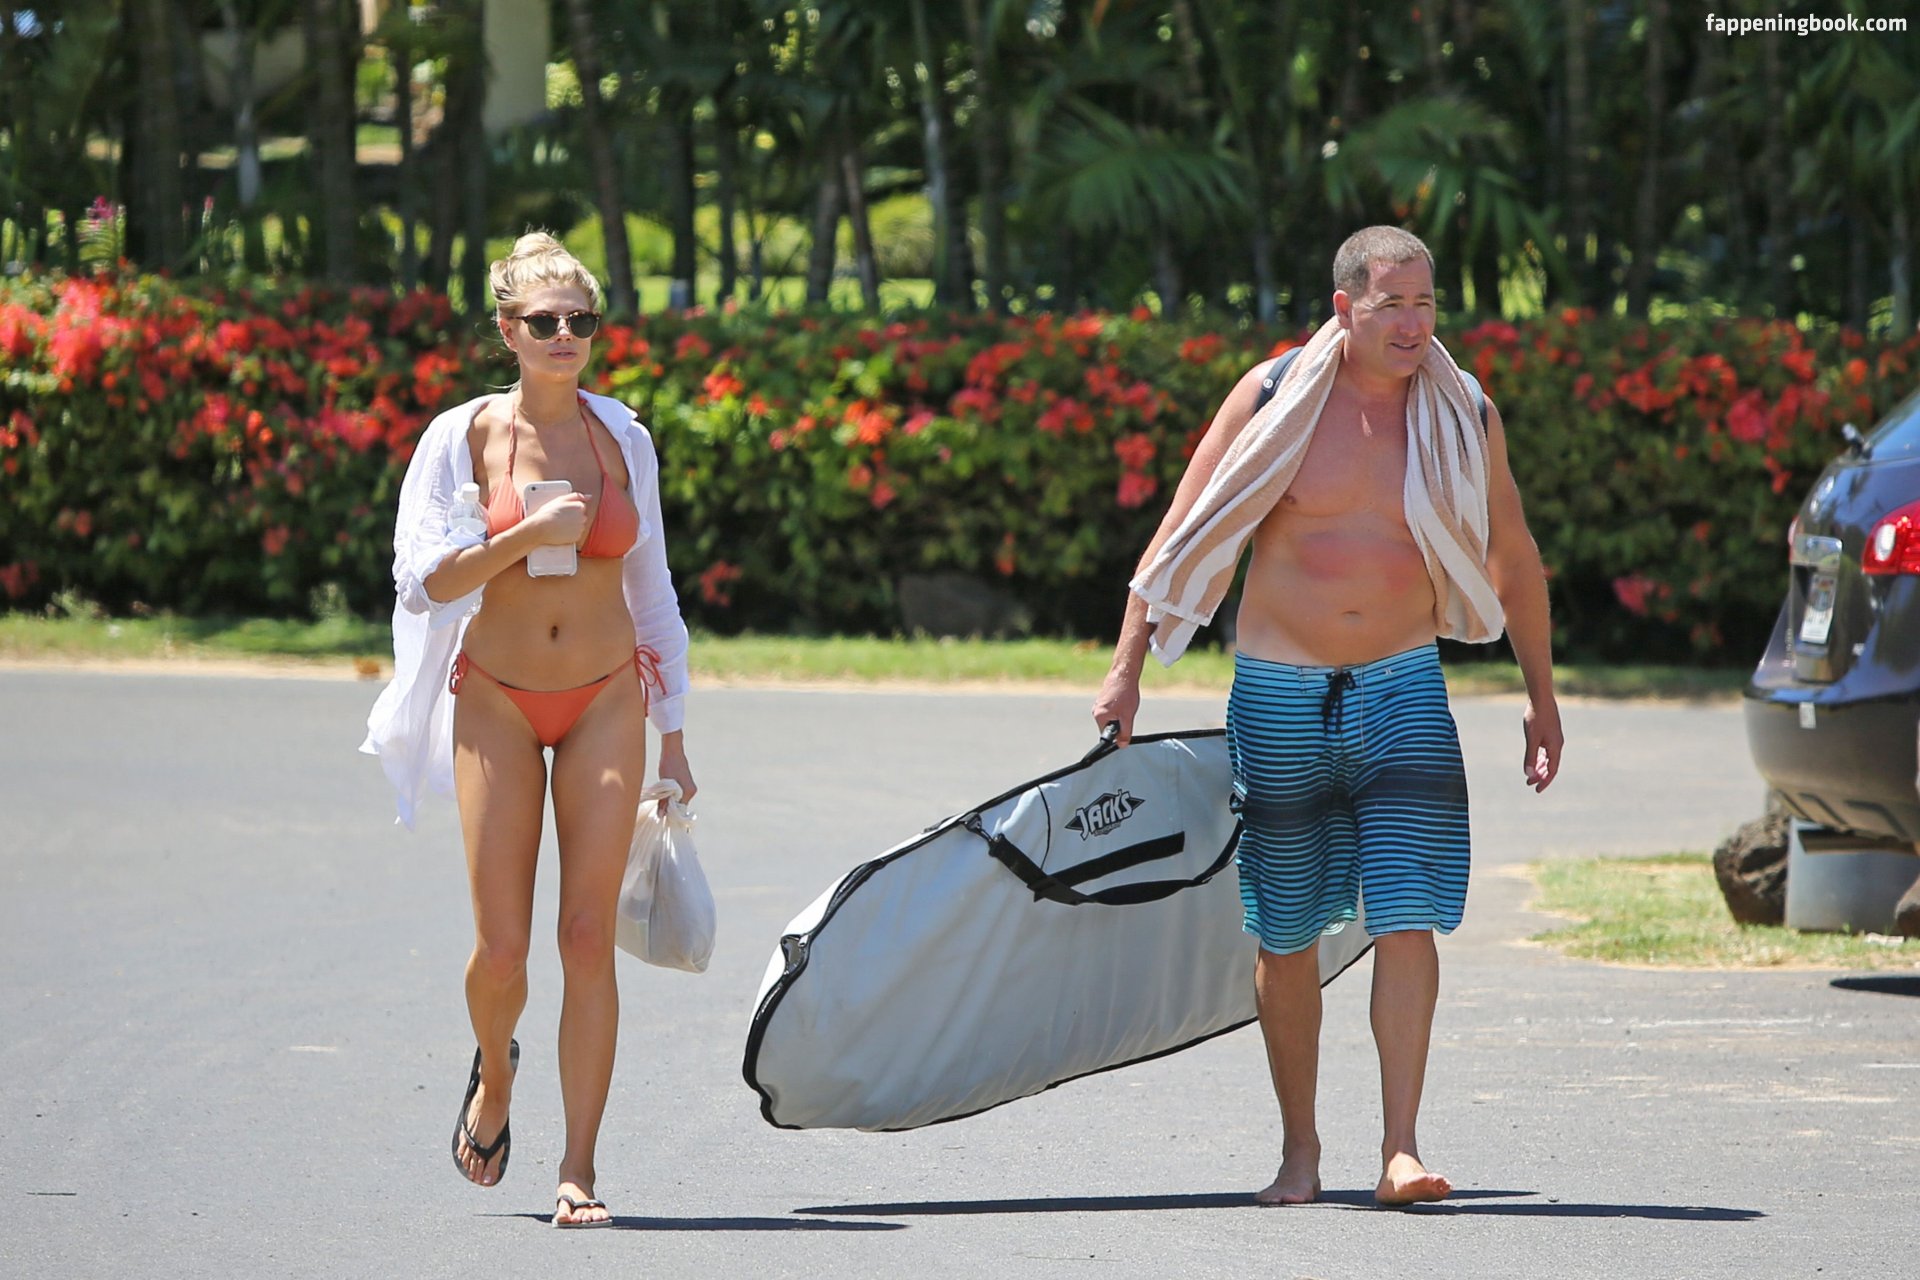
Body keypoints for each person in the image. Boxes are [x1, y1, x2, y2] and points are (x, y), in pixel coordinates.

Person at [1093, 226, 1562, 1208]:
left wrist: (1541, 697)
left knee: (1410, 911)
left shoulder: (1462, 410)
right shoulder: (1274, 398)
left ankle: (1401, 1149)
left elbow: (1512, 553)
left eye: (1426, 304)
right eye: (1392, 305)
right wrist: (1127, 669)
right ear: (1345, 308)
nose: (1413, 325)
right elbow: (1183, 529)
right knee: (1288, 928)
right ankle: (1299, 1150)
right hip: (1281, 688)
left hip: (1403, 681)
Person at [361, 232, 694, 1228]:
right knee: (502, 949)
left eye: (580, 320)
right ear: (507, 330)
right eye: (543, 321)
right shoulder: (460, 438)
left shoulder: (623, 438)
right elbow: (424, 584)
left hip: (604, 698)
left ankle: (578, 1166)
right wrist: (523, 537)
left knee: (587, 936)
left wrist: (674, 734)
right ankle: (495, 1072)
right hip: (498, 698)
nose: (563, 336)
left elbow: (653, 589)